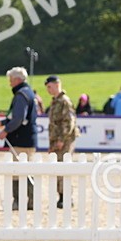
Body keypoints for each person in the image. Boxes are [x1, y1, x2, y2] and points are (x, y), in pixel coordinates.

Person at [0, 67, 37, 210]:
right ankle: (29, 201)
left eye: (11, 80)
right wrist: (2, 123)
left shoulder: (21, 95)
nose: (10, 84)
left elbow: (19, 118)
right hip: (27, 138)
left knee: (19, 171)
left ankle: (19, 201)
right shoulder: (28, 93)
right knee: (25, 169)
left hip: (21, 139)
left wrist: (6, 130)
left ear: (17, 80)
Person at [45, 75, 78, 208]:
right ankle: (61, 197)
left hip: (65, 140)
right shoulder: (55, 101)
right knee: (58, 168)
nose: (48, 90)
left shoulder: (64, 101)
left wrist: (61, 140)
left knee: (64, 167)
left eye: (49, 87)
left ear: (57, 84)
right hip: (57, 140)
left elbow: (68, 122)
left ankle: (66, 197)